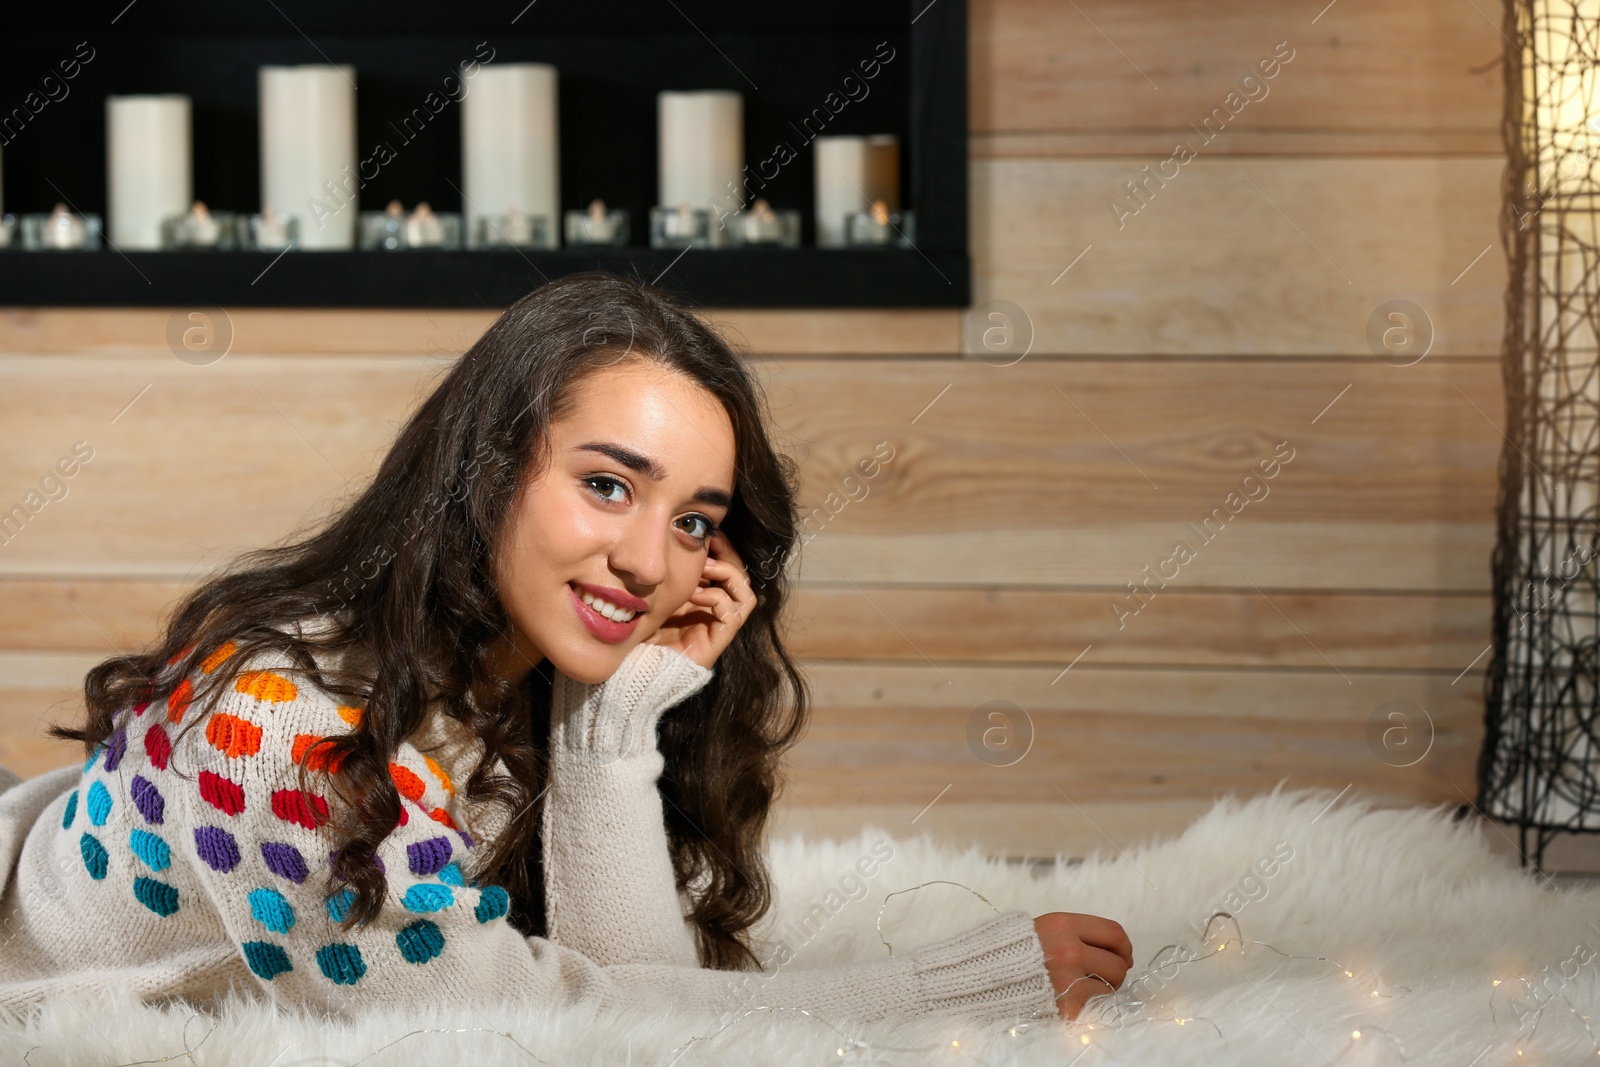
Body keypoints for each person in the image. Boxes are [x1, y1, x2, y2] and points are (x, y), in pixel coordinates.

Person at [0, 272, 1132, 1023]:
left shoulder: (515, 688)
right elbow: (532, 1019)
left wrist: (611, 717)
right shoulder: (278, 723)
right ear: (486, 471)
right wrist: (947, 991)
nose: (650, 561)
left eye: (693, 520)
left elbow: (633, 995)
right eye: (605, 484)